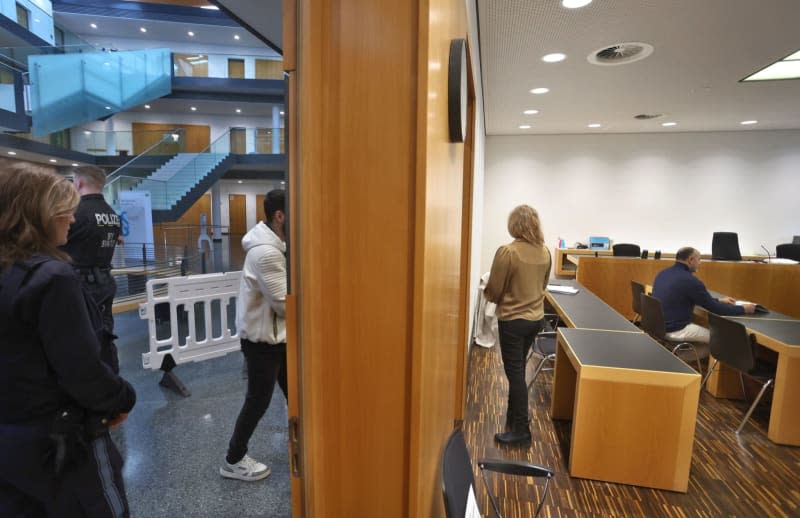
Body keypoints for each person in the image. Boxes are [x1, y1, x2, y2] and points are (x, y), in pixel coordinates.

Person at [0, 164, 136, 517]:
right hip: (64, 439)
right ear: (38, 213)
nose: (72, 220)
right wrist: (121, 397)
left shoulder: (12, 272)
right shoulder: (52, 278)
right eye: (64, 210)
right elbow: (81, 368)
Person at [221, 189, 288, 481]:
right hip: (263, 344)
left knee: (298, 395)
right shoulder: (266, 253)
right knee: (258, 401)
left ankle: (308, 442)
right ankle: (233, 460)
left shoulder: (278, 247)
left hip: (278, 339)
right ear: (280, 216)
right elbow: (286, 305)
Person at [484, 205, 551, 446]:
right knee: (519, 368)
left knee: (515, 374)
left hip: (512, 320)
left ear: (515, 225)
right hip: (535, 320)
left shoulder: (507, 252)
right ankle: (514, 413)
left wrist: (489, 295)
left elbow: (494, 289)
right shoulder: (545, 252)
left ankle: (521, 429)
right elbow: (543, 285)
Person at [60, 166, 123, 371]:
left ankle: (88, 382)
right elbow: (117, 239)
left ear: (78, 183)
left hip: (80, 284)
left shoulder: (76, 213)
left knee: (79, 337)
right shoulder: (112, 214)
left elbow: (56, 243)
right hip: (105, 281)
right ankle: (111, 377)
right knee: (105, 333)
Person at [652, 246, 755, 343]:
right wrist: (743, 309)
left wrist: (719, 300)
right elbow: (716, 309)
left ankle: (680, 356)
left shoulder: (663, 273)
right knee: (722, 341)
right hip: (676, 329)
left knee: (709, 340)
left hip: (659, 327)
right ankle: (680, 358)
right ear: (691, 260)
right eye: (699, 259)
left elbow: (698, 299)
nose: (699, 263)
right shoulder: (690, 281)